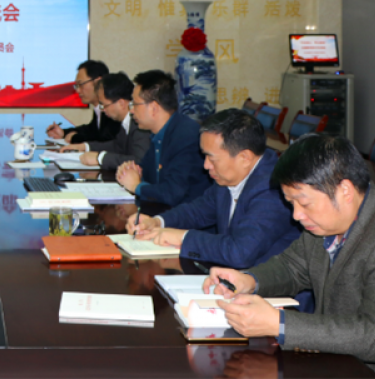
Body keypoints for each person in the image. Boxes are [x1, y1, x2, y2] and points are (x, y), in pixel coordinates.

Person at [203, 134, 375, 365]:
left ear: (344, 190)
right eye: (291, 203)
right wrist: (249, 280)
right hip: (337, 360)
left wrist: (279, 324)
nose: (296, 215)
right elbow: (292, 266)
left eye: (304, 203)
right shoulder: (326, 221)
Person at [125, 109, 299, 269]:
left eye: (211, 158)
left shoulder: (274, 189)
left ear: (245, 158)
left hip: (266, 288)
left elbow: (239, 253)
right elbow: (198, 211)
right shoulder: (229, 175)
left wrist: (183, 237)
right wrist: (157, 222)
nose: (206, 165)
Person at [114, 70, 210, 210]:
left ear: (154, 108)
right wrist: (131, 171)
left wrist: (136, 186)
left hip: (188, 218)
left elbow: (172, 193)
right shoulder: (159, 134)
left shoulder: (186, 137)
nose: (131, 111)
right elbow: (146, 172)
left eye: (135, 104)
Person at [61, 72, 150, 169]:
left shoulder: (140, 125)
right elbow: (117, 146)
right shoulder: (127, 121)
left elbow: (139, 161)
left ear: (121, 103)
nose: (102, 110)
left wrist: (100, 158)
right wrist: (85, 146)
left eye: (104, 105)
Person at [46, 60, 120, 144]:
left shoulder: (113, 107)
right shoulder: (99, 107)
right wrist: (64, 132)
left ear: (98, 82)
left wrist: (75, 138)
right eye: (76, 86)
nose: (77, 90)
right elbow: (90, 130)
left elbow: (105, 140)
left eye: (81, 84)